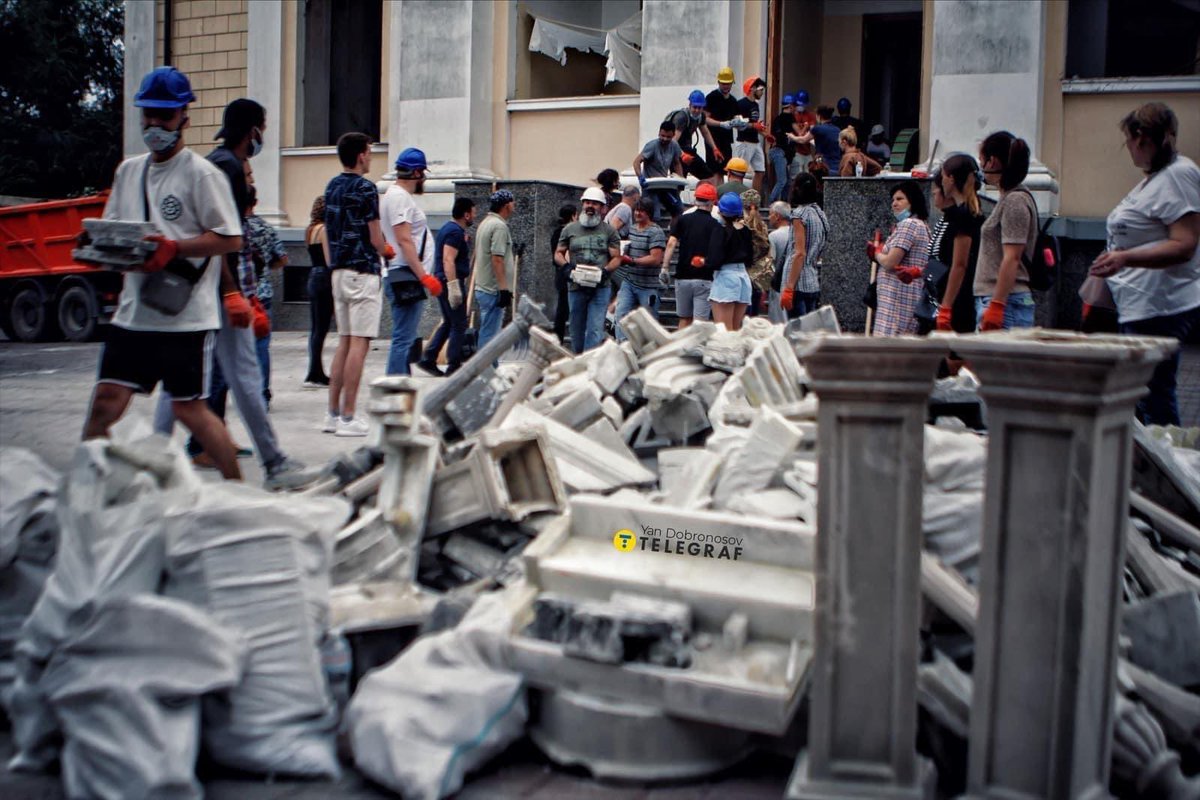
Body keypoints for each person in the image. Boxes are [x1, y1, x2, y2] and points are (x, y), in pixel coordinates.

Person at [80, 67, 243, 480]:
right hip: (133, 312)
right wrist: (98, 252)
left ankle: (241, 491)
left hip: (183, 318)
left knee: (191, 410)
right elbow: (115, 227)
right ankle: (86, 487)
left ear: (183, 118)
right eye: (148, 115)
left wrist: (175, 247)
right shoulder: (128, 171)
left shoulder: (202, 175)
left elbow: (229, 239)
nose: (154, 125)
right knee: (106, 400)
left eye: (164, 116)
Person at [154, 96, 319, 489]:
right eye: (263, 127)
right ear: (253, 131)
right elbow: (224, 236)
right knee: (207, 376)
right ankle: (271, 463)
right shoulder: (226, 168)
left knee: (214, 376)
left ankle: (157, 458)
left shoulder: (216, 162)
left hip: (213, 287)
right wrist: (232, 292)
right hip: (218, 289)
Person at [1089, 102, 1200, 425]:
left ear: (1142, 139)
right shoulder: (1159, 177)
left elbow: (1185, 245)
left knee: (1153, 398)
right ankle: (1144, 466)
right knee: (1141, 397)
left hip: (1159, 307)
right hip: (1141, 304)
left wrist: (1124, 257)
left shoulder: (1179, 175)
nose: (1129, 151)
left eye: (1128, 142)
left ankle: (1166, 466)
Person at [324, 131, 387, 436]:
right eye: (370, 152)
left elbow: (326, 231)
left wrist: (332, 262)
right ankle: (349, 417)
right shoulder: (366, 188)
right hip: (363, 272)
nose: (371, 157)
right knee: (359, 345)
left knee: (344, 342)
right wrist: (387, 249)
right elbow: (376, 238)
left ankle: (332, 414)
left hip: (337, 271)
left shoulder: (332, 186)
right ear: (361, 155)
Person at [380, 147, 441, 376]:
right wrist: (424, 276)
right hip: (406, 275)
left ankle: (400, 384)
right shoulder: (399, 198)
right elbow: (404, 240)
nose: (424, 178)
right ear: (416, 173)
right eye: (422, 173)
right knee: (403, 339)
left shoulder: (392, 196)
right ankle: (395, 389)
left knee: (404, 337)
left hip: (402, 273)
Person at [974, 130, 1037, 331]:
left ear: (991, 162)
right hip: (1002, 299)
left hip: (1006, 301)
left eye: (981, 160)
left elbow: (1012, 257)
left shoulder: (1015, 201)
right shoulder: (1009, 199)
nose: (981, 166)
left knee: (998, 363)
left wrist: (997, 305)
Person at [556, 187, 620, 352]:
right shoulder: (569, 229)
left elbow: (616, 257)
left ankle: (589, 365)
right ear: (582, 204)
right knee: (576, 329)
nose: (590, 206)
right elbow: (558, 253)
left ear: (603, 207)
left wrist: (605, 272)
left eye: (595, 204)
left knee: (595, 328)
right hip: (576, 286)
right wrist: (566, 267)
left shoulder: (609, 231)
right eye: (587, 203)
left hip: (600, 287)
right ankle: (579, 360)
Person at [417, 197, 475, 375]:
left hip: (443, 280)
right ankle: (454, 364)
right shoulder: (455, 232)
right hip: (449, 281)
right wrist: (454, 286)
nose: (474, 215)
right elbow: (448, 259)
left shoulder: (449, 229)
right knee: (459, 324)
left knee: (450, 321)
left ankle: (429, 357)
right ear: (466, 214)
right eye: (473, 212)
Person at [867, 180, 930, 336]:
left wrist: (876, 253)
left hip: (897, 301)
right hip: (900, 300)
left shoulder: (909, 225)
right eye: (893, 200)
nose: (894, 204)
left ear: (913, 201)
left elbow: (890, 262)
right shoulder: (921, 225)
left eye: (900, 199)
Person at [244, 185, 289, 405]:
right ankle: (262, 392)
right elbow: (282, 258)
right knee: (261, 344)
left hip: (234, 293)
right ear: (255, 202)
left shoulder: (231, 227)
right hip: (261, 293)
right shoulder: (264, 228)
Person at [932, 154, 985, 334]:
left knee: (956, 355)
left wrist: (946, 306)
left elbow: (959, 265)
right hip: (960, 293)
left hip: (961, 296)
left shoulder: (963, 215)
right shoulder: (967, 211)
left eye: (943, 177)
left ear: (951, 178)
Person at [663, 182, 723, 329]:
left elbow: (671, 243)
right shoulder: (715, 225)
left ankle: (679, 349)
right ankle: (695, 351)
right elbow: (717, 253)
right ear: (712, 202)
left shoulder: (683, 220)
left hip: (682, 276)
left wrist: (665, 267)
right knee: (699, 323)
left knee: (684, 319)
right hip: (704, 277)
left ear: (696, 200)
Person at [613, 198, 667, 339]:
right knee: (621, 316)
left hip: (648, 286)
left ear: (648, 213)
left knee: (649, 323)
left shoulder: (656, 232)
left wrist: (632, 261)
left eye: (641, 211)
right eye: (636, 210)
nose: (637, 213)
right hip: (629, 282)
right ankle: (623, 349)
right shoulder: (631, 229)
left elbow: (656, 259)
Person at [472, 189, 517, 351]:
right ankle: (487, 371)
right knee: (490, 334)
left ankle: (490, 368)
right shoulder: (499, 226)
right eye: (512, 201)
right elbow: (497, 258)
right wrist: (504, 288)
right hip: (493, 289)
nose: (514, 205)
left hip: (484, 287)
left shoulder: (485, 223)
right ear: (506, 206)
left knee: (489, 331)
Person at [780, 173, 829, 319]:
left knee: (797, 334)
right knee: (810, 334)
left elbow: (799, 253)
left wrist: (789, 287)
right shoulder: (820, 214)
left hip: (797, 283)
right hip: (812, 280)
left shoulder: (799, 215)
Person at [710, 192, 754, 331]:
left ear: (721, 212)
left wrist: (704, 262)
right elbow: (750, 257)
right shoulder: (746, 231)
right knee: (735, 328)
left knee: (723, 329)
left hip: (725, 277)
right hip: (743, 276)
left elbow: (714, 259)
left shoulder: (720, 230)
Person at [303, 195, 333, 388]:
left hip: (313, 275)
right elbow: (330, 260)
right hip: (324, 277)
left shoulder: (309, 230)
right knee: (321, 328)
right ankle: (315, 373)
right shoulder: (324, 230)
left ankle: (315, 370)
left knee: (315, 328)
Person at [665, 91, 722, 188]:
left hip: (688, 152)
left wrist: (714, 148)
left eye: (699, 108)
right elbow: (673, 141)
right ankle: (676, 201)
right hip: (676, 153)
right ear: (690, 105)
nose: (697, 110)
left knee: (708, 176)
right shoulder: (682, 117)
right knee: (679, 183)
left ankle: (703, 197)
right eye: (695, 107)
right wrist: (682, 155)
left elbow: (705, 132)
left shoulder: (701, 117)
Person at [634, 120, 685, 221]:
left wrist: (681, 179)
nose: (665, 139)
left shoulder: (674, 146)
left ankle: (674, 233)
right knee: (655, 215)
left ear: (673, 135)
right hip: (650, 185)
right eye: (662, 136)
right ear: (659, 133)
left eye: (668, 137)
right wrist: (640, 177)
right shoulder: (652, 146)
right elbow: (636, 162)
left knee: (678, 209)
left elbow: (676, 163)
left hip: (665, 185)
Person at [769, 95, 808, 204]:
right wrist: (805, 126)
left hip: (776, 152)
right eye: (794, 106)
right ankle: (771, 204)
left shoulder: (778, 118)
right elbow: (800, 133)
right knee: (783, 181)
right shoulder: (790, 117)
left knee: (786, 182)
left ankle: (784, 203)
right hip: (780, 152)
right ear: (790, 106)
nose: (795, 108)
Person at [734, 75, 768, 195]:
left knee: (760, 171)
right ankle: (739, 198)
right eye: (761, 90)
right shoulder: (741, 104)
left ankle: (754, 199)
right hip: (744, 142)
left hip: (755, 142)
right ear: (752, 89)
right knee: (739, 172)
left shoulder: (756, 105)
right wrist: (754, 126)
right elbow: (737, 123)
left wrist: (765, 134)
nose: (762, 92)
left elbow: (755, 124)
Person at [740, 189, 772, 316]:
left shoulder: (740, 225)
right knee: (753, 315)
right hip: (758, 275)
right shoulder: (762, 226)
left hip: (742, 274)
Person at [551, 203, 578, 344]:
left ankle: (558, 339)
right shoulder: (568, 232)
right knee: (565, 310)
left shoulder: (556, 232)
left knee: (562, 310)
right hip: (567, 274)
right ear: (573, 216)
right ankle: (559, 339)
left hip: (559, 274)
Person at [705, 67, 738, 174]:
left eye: (728, 84)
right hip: (713, 139)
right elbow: (704, 119)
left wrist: (738, 123)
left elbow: (734, 117)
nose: (726, 86)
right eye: (723, 84)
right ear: (719, 82)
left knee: (726, 170)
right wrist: (721, 124)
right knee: (713, 170)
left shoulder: (733, 101)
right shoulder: (712, 97)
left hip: (726, 140)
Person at [766, 200, 792, 322]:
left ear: (777, 216)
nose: (768, 217)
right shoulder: (796, 233)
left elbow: (770, 262)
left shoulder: (773, 236)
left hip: (778, 284)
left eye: (770, 214)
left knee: (779, 320)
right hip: (796, 282)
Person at [791, 90, 817, 179]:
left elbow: (813, 130)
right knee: (796, 178)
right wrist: (806, 127)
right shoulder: (792, 116)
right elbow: (799, 134)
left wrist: (807, 128)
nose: (801, 106)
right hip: (796, 151)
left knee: (810, 177)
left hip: (807, 152)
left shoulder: (810, 115)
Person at [810, 106, 843, 175]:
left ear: (819, 116)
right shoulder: (837, 129)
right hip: (837, 166)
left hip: (824, 167)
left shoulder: (817, 128)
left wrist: (792, 136)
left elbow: (802, 140)